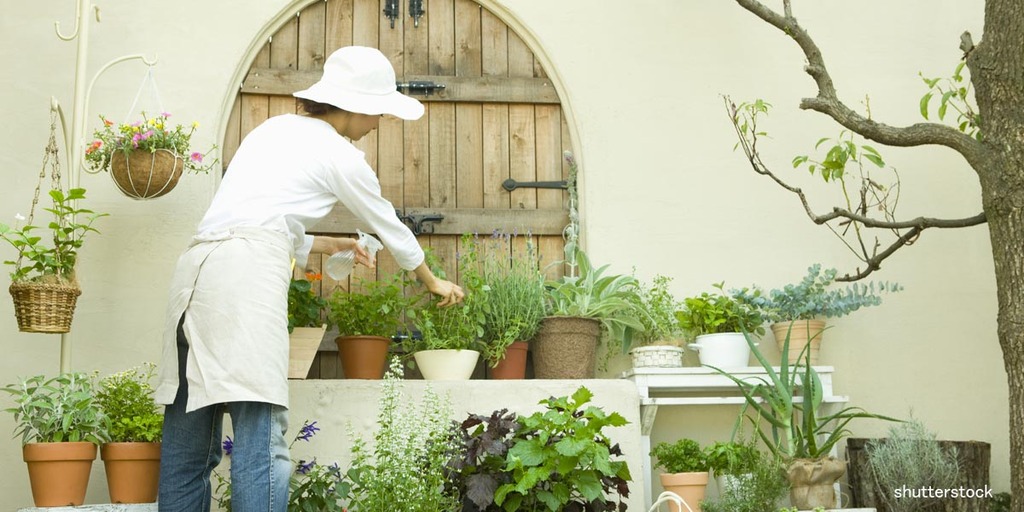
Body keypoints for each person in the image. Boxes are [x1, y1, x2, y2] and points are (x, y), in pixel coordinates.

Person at [154, 46, 464, 512]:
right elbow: (388, 224)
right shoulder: (342, 156)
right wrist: (430, 279)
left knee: (187, 447)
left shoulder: (273, 129)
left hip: (196, 276)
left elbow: (255, 217)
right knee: (261, 442)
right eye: (378, 110)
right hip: (244, 284)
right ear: (356, 105)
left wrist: (324, 245)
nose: (379, 121)